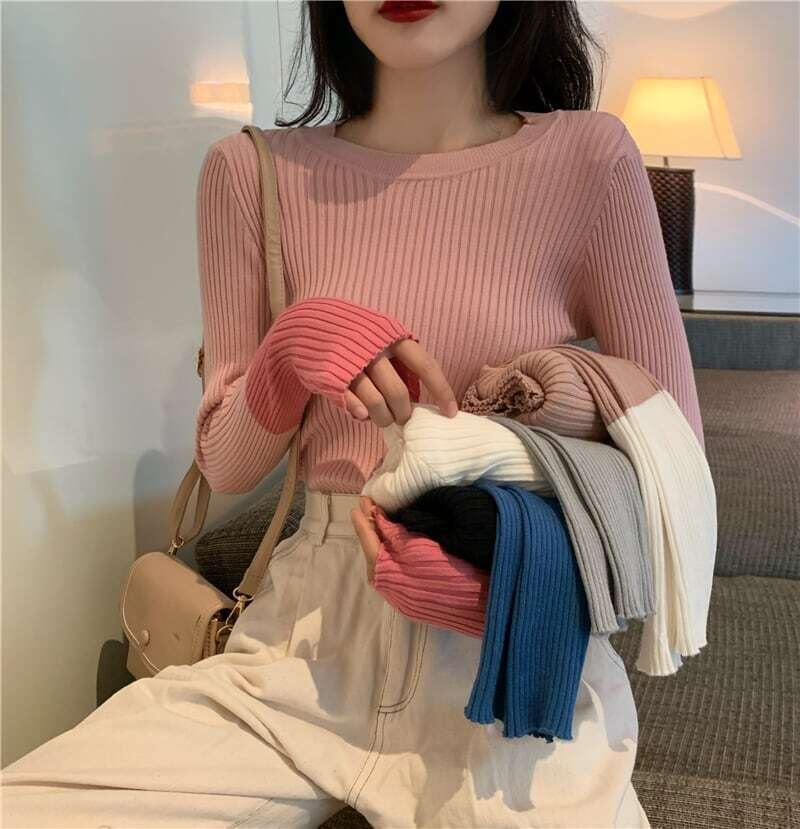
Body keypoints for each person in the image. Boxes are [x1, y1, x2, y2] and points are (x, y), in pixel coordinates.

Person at [2, 1, 703, 826]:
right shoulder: (251, 172)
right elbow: (227, 463)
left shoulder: (588, 159)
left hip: (509, 669)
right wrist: (288, 351)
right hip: (297, 654)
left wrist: (513, 579)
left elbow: (678, 469)